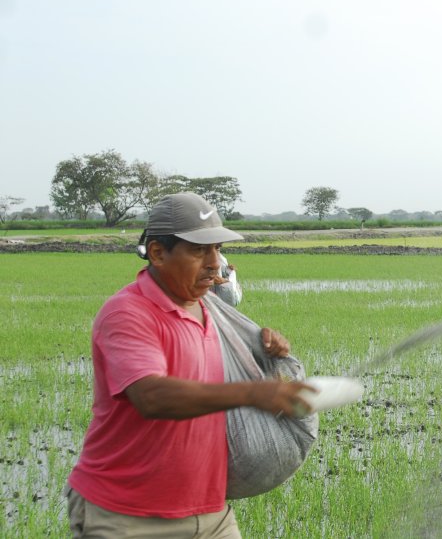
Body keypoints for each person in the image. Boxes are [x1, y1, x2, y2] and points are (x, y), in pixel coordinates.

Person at [66, 192, 312, 538]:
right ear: (157, 253)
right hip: (128, 516)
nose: (215, 262)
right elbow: (151, 396)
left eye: (217, 248)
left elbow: (235, 361)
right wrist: (252, 392)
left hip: (211, 513)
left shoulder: (212, 309)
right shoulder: (129, 313)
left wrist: (266, 351)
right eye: (199, 250)